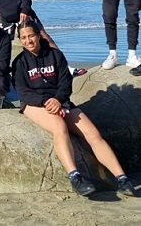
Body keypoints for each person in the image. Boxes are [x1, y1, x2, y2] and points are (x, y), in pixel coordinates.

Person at [12, 20, 136, 197]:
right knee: (59, 126)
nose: (28, 41)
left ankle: (122, 178)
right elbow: (23, 93)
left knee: (92, 133)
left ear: (39, 35)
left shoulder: (56, 55)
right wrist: (49, 102)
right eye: (23, 38)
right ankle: (75, 177)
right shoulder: (20, 62)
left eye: (31, 35)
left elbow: (65, 83)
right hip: (34, 104)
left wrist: (59, 100)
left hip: (60, 101)